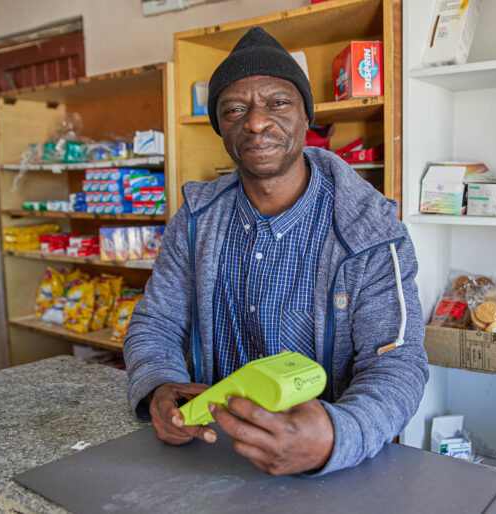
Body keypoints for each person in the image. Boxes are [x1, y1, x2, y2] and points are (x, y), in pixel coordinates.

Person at [124, 26, 428, 476]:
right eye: (234, 109)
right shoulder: (194, 220)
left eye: (278, 103)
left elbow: (399, 362)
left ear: (307, 118)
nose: (256, 121)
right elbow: (157, 322)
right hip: (211, 453)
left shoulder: (371, 230)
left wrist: (336, 434)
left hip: (328, 464)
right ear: (221, 129)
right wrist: (158, 386)